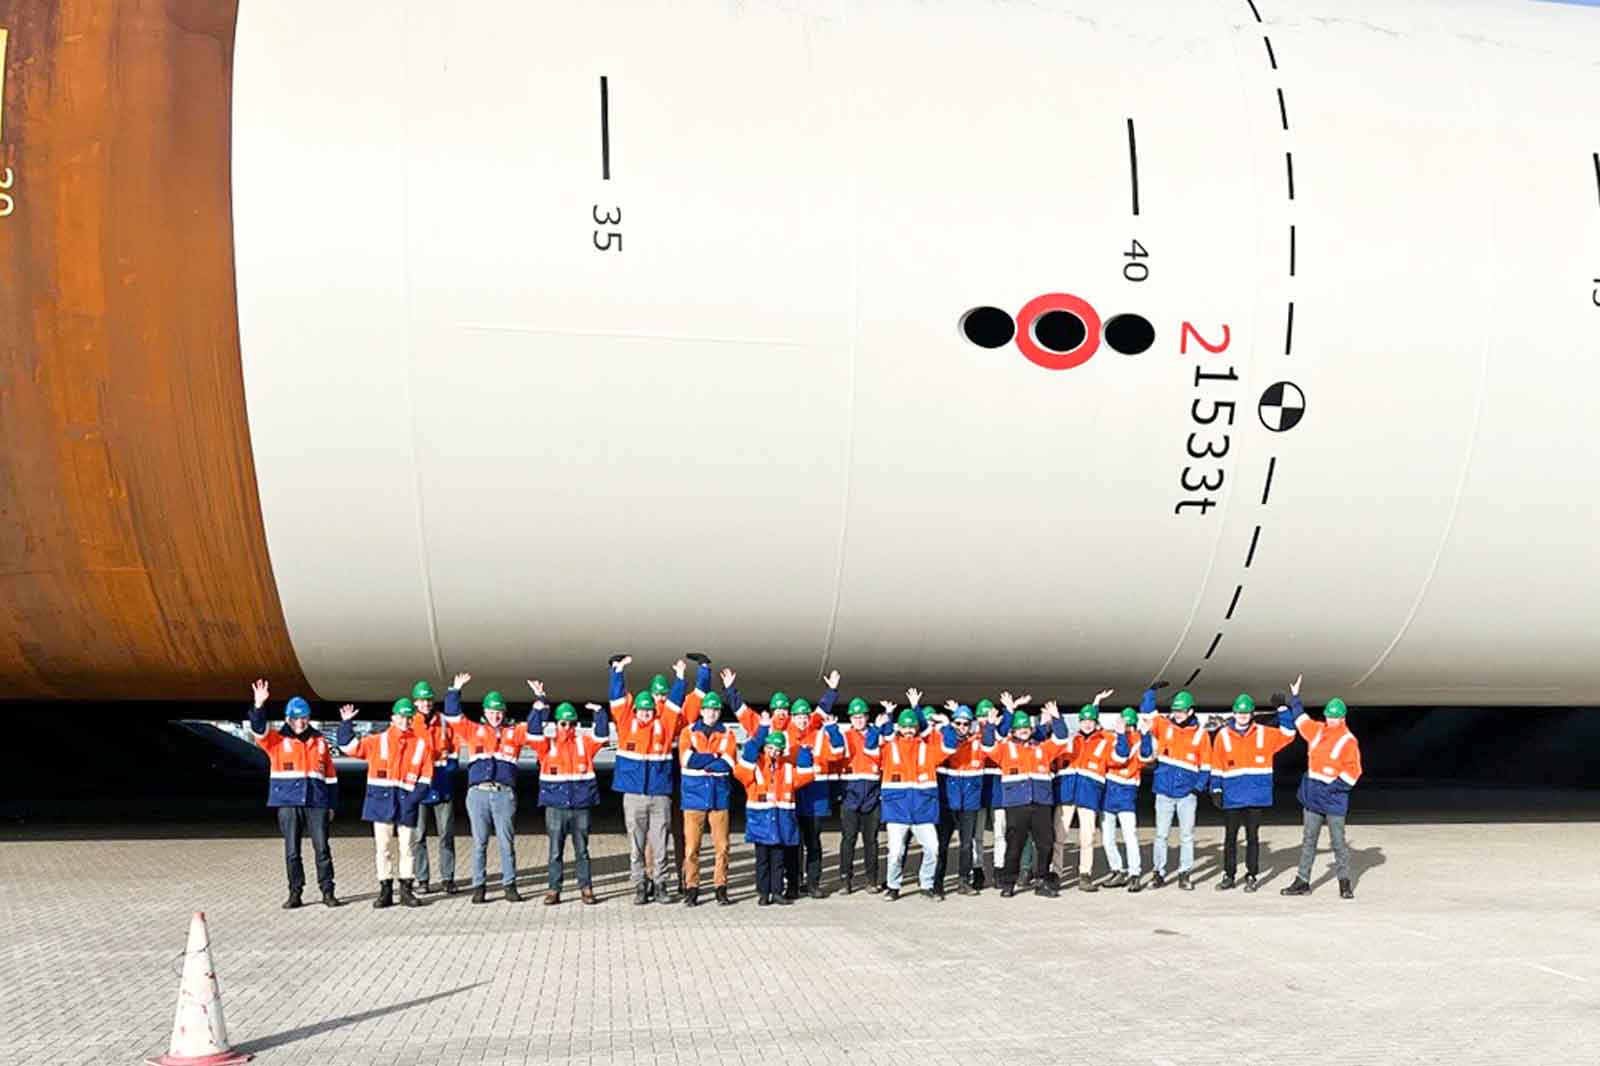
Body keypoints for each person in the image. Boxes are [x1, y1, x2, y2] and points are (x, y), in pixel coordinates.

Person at [246, 680, 341, 909]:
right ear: (288, 718)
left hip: (317, 802)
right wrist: (259, 705)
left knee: (322, 849)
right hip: (288, 803)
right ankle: (295, 893)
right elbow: (258, 728)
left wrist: (332, 805)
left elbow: (331, 776)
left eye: (304, 718)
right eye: (296, 718)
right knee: (292, 852)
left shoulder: (319, 741)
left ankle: (327, 891)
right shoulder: (276, 741)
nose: (301, 722)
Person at [444, 677, 537, 904]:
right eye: (491, 711)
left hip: (504, 793)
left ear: (504, 713)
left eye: (499, 712)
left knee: (507, 843)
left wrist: (538, 701)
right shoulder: (473, 730)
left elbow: (535, 726)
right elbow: (453, 715)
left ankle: (510, 885)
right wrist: (455, 690)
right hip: (478, 794)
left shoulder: (514, 732)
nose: (496, 715)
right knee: (479, 843)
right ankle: (479, 886)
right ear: (484, 711)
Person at [338, 697, 435, 909]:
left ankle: (407, 890)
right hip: (381, 803)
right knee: (383, 849)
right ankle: (386, 890)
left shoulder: (421, 745)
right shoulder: (377, 741)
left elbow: (427, 776)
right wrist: (346, 724)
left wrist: (413, 799)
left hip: (406, 803)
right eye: (401, 717)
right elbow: (349, 747)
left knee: (407, 848)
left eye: (408, 717)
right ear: (393, 718)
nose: (405, 721)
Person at [1280, 675, 1364, 899]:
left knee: (1338, 842)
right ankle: (1302, 881)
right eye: (1328, 715)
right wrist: (1295, 697)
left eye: (1334, 717)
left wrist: (1332, 788)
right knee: (1308, 840)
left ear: (1342, 718)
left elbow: (1353, 771)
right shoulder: (1317, 730)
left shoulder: (1348, 741)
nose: (1330, 719)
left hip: (1333, 797)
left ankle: (1344, 883)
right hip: (1312, 795)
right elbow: (1300, 719)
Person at [608, 655, 683, 904]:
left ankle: (661, 884)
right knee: (636, 846)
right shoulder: (625, 724)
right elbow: (617, 698)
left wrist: (680, 678)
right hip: (633, 795)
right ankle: (640, 885)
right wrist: (617, 672)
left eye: (649, 710)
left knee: (660, 844)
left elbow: (673, 703)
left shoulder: (665, 724)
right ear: (636, 710)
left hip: (659, 794)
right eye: (642, 710)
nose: (645, 714)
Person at [980, 701, 1072, 897]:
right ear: (1013, 731)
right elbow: (987, 745)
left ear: (1031, 729)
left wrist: (1057, 718)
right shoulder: (1005, 749)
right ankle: (1008, 883)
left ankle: (1041, 881)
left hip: (1041, 803)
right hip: (1016, 804)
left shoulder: (1043, 748)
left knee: (1045, 844)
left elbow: (1062, 739)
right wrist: (989, 725)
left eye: (1026, 728)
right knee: (1014, 845)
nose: (1023, 731)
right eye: (1019, 728)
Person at [1209, 692, 1295, 892]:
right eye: (1239, 712)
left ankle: (1251, 875)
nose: (1242, 716)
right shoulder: (1223, 735)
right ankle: (1229, 876)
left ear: (1252, 714)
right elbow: (1216, 764)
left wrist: (1282, 709)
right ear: (1234, 713)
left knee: (1252, 838)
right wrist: (1216, 788)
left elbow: (1289, 734)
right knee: (1230, 838)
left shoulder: (1265, 734)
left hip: (1256, 796)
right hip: (1232, 795)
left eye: (1246, 713)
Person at [878, 689, 959, 900]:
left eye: (911, 726)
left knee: (933, 848)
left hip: (923, 810)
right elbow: (869, 748)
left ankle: (926, 885)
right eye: (904, 726)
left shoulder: (928, 749)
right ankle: (893, 886)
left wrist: (947, 723)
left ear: (916, 728)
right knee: (895, 852)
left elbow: (950, 746)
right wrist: (886, 719)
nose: (907, 730)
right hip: (897, 811)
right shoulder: (889, 748)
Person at [527, 698, 608, 905]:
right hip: (555, 807)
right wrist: (538, 707)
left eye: (572, 723)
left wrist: (599, 713)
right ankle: (554, 889)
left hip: (580, 806)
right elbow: (532, 733)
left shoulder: (584, 744)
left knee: (582, 850)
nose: (568, 727)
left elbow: (602, 736)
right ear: (557, 724)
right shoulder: (547, 745)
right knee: (555, 851)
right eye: (564, 723)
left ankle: (586, 888)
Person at [732, 727, 817, 906]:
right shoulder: (755, 767)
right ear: (764, 748)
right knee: (762, 860)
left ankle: (777, 892)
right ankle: (763, 893)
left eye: (778, 750)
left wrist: (803, 752)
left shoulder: (787, 768)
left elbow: (807, 775)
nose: (774, 753)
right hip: (761, 821)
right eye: (770, 748)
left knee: (778, 860)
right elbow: (740, 773)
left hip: (781, 822)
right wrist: (753, 744)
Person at [1145, 687, 1211, 890]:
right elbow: (1147, 713)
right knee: (1161, 835)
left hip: (1186, 795)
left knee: (1186, 835)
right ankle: (1158, 873)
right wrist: (1150, 693)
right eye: (1175, 710)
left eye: (1182, 710)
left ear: (1191, 711)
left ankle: (1185, 873)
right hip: (1164, 792)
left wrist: (1197, 788)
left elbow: (1207, 765)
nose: (1178, 714)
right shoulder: (1164, 726)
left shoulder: (1201, 735)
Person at [678, 688, 737, 906]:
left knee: (722, 847)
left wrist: (702, 759)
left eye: (715, 710)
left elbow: (728, 764)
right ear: (701, 711)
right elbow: (686, 759)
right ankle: (692, 888)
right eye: (708, 709)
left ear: (719, 712)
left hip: (719, 798)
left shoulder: (728, 733)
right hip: (694, 798)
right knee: (692, 848)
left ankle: (720, 887)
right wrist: (713, 756)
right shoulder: (689, 731)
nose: (711, 713)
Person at [1053, 692, 1116, 891]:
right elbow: (1059, 736)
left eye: (1091, 720)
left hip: (1089, 795)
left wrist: (1095, 703)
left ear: (1096, 722)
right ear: (1079, 722)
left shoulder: (1105, 742)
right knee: (1059, 836)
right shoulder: (1071, 741)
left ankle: (1085, 874)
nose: (1087, 724)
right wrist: (1056, 718)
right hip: (1067, 794)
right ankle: (1055, 873)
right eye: (1084, 720)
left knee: (1087, 838)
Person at [790, 679, 843, 899]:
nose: (802, 720)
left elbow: (838, 752)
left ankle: (813, 884)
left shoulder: (820, 734)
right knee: (793, 844)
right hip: (792, 797)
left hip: (816, 798)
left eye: (805, 716)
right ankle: (793, 884)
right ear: (792, 718)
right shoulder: (786, 736)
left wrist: (832, 692)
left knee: (813, 843)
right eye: (798, 716)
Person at [831, 695, 885, 894]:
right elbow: (835, 758)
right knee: (848, 839)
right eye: (854, 717)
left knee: (871, 840)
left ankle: (872, 880)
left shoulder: (876, 734)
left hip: (872, 795)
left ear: (867, 717)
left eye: (861, 716)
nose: (858, 720)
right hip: (850, 795)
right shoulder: (845, 736)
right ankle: (846, 880)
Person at [410, 678, 460, 895]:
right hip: (418, 789)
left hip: (442, 786)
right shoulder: (409, 723)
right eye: (422, 700)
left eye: (428, 700)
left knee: (446, 835)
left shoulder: (442, 721)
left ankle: (448, 879)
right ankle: (422, 879)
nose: (426, 704)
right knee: (418, 837)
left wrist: (451, 768)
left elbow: (455, 746)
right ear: (415, 703)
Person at [1100, 707, 1155, 892]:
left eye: (1131, 725)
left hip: (1126, 793)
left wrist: (1146, 735)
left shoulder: (1139, 740)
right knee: (1107, 838)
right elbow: (1114, 758)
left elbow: (1145, 756)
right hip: (1109, 792)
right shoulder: (1111, 738)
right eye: (1125, 724)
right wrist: (1097, 703)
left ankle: (1134, 873)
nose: (1128, 728)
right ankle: (1117, 870)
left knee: (1130, 836)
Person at [933, 704, 986, 896]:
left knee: (966, 844)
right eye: (958, 723)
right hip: (947, 802)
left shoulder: (978, 742)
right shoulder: (944, 740)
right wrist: (947, 725)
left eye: (966, 723)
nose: (962, 727)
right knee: (942, 844)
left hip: (969, 801)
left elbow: (997, 734)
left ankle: (964, 881)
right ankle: (937, 882)